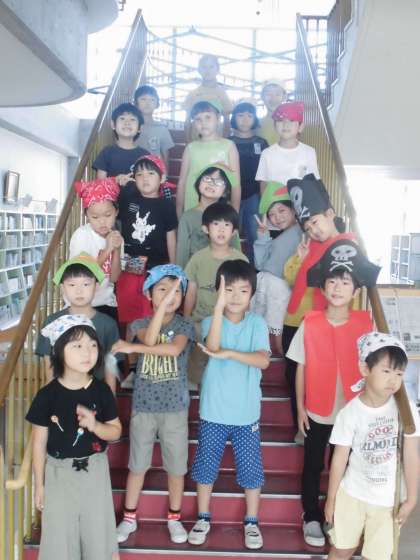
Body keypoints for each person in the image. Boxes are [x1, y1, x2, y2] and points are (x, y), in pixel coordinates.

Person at [286, 240, 379, 547]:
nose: (338, 288)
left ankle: (338, 513)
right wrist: (301, 409)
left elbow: (374, 367)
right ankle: (311, 515)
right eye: (332, 282)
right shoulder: (310, 322)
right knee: (314, 464)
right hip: (317, 409)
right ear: (323, 289)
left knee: (350, 465)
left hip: (352, 411)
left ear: (355, 290)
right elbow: (300, 367)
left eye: (345, 282)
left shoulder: (365, 324)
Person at [187, 260, 270, 550]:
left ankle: (252, 522)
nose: (235, 296)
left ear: (252, 294)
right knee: (205, 467)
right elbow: (212, 347)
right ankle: (203, 517)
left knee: (251, 470)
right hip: (213, 410)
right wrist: (218, 309)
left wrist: (231, 353)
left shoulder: (257, 324)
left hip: (247, 414)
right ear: (218, 292)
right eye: (228, 290)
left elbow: (263, 360)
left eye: (243, 290)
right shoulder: (211, 322)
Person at [111, 265, 195, 545]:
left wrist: (132, 348)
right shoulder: (139, 324)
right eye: (163, 290)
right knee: (137, 465)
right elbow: (150, 338)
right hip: (144, 407)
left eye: (176, 291)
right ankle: (129, 517)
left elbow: (173, 349)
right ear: (148, 294)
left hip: (175, 409)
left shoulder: (185, 326)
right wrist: (139, 341)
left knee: (176, 468)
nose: (171, 296)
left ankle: (174, 517)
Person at [27, 314, 122, 560]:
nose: (87, 352)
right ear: (59, 351)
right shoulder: (46, 395)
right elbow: (39, 443)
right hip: (58, 473)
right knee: (59, 538)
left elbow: (115, 431)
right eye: (77, 346)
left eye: (92, 345)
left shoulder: (101, 391)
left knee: (97, 535)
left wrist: (95, 425)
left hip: (95, 471)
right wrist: (39, 485)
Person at [325, 332, 420, 560]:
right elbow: (339, 458)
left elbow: (411, 455)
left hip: (388, 501)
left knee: (377, 556)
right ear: (365, 369)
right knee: (342, 549)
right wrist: (331, 498)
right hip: (352, 494)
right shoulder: (350, 412)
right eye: (386, 371)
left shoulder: (405, 410)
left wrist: (412, 498)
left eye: (399, 373)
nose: (393, 380)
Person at [282, 174, 357, 439]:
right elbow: (292, 279)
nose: (313, 230)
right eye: (308, 227)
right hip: (294, 319)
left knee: (316, 377)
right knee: (292, 375)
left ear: (330, 214)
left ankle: (317, 430)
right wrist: (299, 259)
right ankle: (300, 428)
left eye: (315, 222)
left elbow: (345, 288)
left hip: (320, 322)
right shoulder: (310, 244)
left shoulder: (348, 245)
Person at [36, 256, 123, 393]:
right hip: (61, 394)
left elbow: (110, 367)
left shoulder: (108, 324)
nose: (79, 291)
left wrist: (111, 400)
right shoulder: (52, 322)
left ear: (96, 286)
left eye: (86, 284)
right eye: (72, 285)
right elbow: (49, 370)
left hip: (96, 394)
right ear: (62, 288)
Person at [184, 202, 247, 385]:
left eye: (227, 225)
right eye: (216, 224)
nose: (221, 229)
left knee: (224, 366)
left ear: (234, 232)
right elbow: (191, 292)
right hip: (200, 322)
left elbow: (246, 293)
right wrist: (186, 320)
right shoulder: (197, 258)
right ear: (206, 229)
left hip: (229, 324)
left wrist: (242, 322)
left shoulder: (240, 259)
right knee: (198, 365)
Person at [116, 154, 178, 326]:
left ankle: (149, 341)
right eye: (139, 174)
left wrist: (173, 266)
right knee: (130, 309)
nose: (145, 178)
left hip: (156, 265)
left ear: (162, 178)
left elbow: (171, 236)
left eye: (151, 173)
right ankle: (131, 342)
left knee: (151, 309)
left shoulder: (166, 205)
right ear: (134, 179)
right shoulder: (128, 198)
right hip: (130, 263)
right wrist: (119, 183)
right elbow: (111, 209)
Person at [251, 182, 301, 354]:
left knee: (277, 321)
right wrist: (263, 235)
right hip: (265, 283)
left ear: (293, 210)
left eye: (281, 210)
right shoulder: (280, 236)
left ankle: (279, 352)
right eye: (272, 214)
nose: (277, 217)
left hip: (281, 285)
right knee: (263, 322)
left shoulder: (302, 231)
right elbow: (260, 264)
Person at [176, 99, 241, 217]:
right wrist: (179, 211)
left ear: (218, 119)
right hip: (192, 206)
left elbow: (235, 183)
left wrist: (235, 212)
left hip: (218, 210)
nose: (203, 123)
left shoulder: (229, 146)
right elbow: (182, 182)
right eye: (198, 119)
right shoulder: (190, 148)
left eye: (208, 117)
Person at [70, 177, 123, 321]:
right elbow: (82, 274)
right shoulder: (82, 235)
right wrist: (107, 250)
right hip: (81, 304)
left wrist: (117, 249)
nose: (102, 221)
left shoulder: (116, 236)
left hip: (107, 302)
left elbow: (114, 278)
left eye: (108, 215)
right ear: (87, 215)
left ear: (116, 212)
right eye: (95, 217)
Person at [175, 162, 238, 269]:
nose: (211, 183)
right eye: (207, 178)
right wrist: (180, 276)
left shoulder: (229, 215)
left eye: (218, 182)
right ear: (198, 183)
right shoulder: (187, 217)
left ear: (225, 192)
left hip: (223, 272)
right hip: (195, 273)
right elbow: (182, 253)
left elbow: (235, 250)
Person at [230, 99, 268, 263]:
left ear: (254, 119)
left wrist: (265, 200)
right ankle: (230, 267)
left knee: (255, 234)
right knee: (230, 233)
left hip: (254, 195)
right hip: (231, 195)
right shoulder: (227, 142)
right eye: (240, 115)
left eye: (249, 116)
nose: (245, 119)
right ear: (234, 118)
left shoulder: (261, 143)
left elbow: (265, 174)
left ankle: (255, 268)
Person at [256, 101, 319, 195]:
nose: (286, 124)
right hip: (274, 202)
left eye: (292, 120)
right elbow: (263, 183)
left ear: (301, 127)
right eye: (280, 120)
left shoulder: (309, 152)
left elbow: (313, 181)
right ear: (274, 126)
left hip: (300, 202)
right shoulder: (267, 153)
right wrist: (266, 203)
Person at [93, 102, 149, 187]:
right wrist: (115, 181)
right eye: (122, 118)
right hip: (112, 196)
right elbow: (99, 185)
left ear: (140, 128)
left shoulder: (145, 155)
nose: (127, 123)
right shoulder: (106, 153)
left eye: (132, 119)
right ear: (113, 125)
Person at [183, 54, 233, 142]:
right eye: (204, 67)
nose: (207, 70)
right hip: (196, 142)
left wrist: (225, 142)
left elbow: (227, 121)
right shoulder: (192, 94)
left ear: (218, 70)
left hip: (217, 143)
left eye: (211, 67)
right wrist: (188, 142)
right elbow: (187, 121)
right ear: (199, 70)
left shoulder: (222, 94)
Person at [134, 85, 175, 168]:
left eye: (152, 99)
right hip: (133, 170)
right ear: (136, 102)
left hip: (155, 172)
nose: (147, 103)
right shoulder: (131, 127)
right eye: (143, 99)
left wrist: (165, 173)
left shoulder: (162, 128)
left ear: (157, 104)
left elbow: (165, 155)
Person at [256, 79, 287, 146]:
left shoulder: (291, 124)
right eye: (268, 94)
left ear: (284, 97)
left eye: (277, 94)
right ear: (262, 97)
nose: (273, 98)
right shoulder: (256, 124)